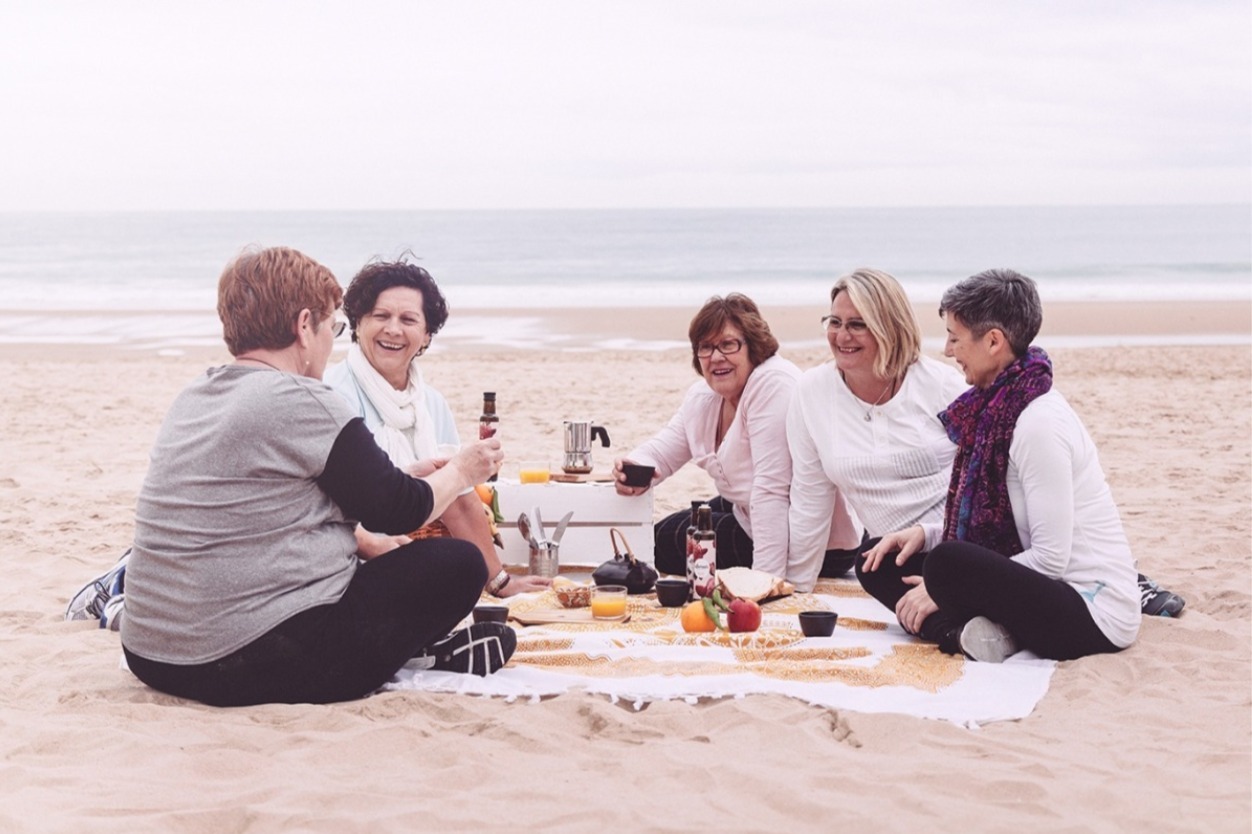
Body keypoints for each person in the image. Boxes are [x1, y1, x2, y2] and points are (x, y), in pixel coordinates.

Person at [117, 246, 516, 707]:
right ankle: (421, 657)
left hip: (151, 654)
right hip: (235, 661)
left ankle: (419, 653)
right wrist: (464, 469)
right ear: (304, 326)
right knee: (457, 564)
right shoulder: (303, 397)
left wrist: (405, 474)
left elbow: (287, 491)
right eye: (333, 326)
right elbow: (398, 510)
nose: (331, 340)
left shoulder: (197, 392)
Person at [858, 268, 1142, 662]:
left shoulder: (1039, 424)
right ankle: (966, 635)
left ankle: (968, 626)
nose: (946, 350)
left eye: (955, 338)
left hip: (1089, 611)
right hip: (1034, 589)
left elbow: (1050, 558)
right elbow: (1002, 526)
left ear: (993, 341)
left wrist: (944, 588)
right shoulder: (993, 409)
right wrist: (926, 534)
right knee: (877, 559)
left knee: (946, 565)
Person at [324, 257, 549, 598]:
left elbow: (459, 498)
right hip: (347, 564)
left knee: (462, 564)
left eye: (408, 320)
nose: (394, 329)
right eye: (381, 316)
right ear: (357, 324)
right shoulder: (332, 395)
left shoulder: (432, 404)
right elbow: (316, 506)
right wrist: (374, 545)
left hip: (422, 554)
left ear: (426, 335)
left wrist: (500, 581)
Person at [613, 293, 862, 589]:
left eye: (728, 344)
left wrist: (764, 584)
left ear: (753, 346)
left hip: (815, 542)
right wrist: (634, 468)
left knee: (665, 541)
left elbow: (772, 490)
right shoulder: (704, 397)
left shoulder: (773, 384)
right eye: (706, 347)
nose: (716, 356)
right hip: (747, 509)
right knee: (679, 525)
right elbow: (665, 449)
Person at [786, 268, 970, 594]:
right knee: (872, 564)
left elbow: (988, 478)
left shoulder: (942, 385)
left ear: (889, 327)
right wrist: (797, 587)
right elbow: (810, 497)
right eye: (835, 322)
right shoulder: (811, 391)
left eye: (857, 325)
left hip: (959, 543)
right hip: (892, 558)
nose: (842, 337)